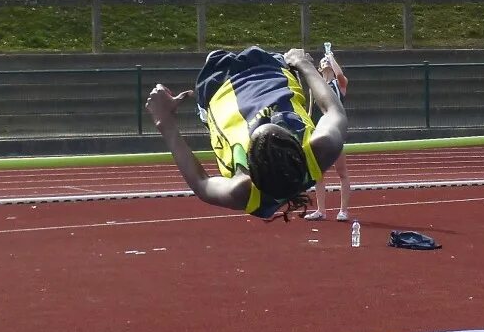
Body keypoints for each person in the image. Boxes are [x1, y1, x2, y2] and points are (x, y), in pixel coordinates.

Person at [145, 46, 347, 220]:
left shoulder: (242, 191)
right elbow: (334, 109)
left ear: (249, 166)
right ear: (299, 148)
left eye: (261, 126)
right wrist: (303, 63)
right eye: (281, 124)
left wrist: (164, 121)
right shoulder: (322, 148)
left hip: (218, 83)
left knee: (214, 55)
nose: (267, 116)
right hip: (270, 70)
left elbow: (201, 184)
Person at [304, 50, 352, 222]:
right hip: (320, 133)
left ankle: (343, 211)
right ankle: (321, 211)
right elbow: (310, 112)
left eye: (328, 62)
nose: (326, 62)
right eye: (323, 61)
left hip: (335, 133)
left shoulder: (339, 86)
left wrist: (330, 56)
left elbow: (340, 75)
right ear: (319, 68)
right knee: (318, 175)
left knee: (342, 172)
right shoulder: (316, 89)